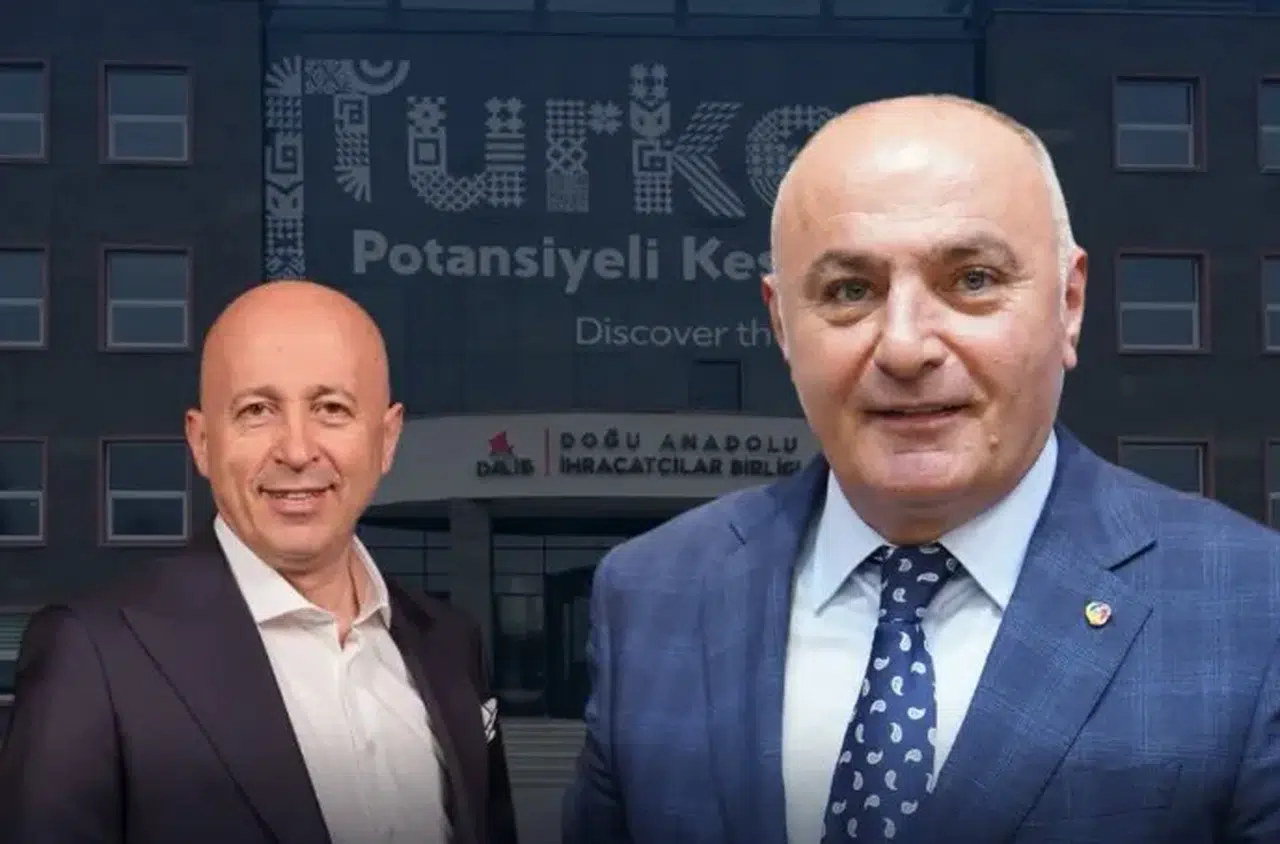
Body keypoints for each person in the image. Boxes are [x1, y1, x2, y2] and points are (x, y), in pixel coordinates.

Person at [562, 95, 1280, 844]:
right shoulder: (652, 594)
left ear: (1069, 303)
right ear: (781, 324)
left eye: (972, 280)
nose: (905, 348)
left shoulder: (1254, 607)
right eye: (850, 291)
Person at [0, 280, 519, 844]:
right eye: (257, 410)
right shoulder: (92, 655)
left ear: (387, 439)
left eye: (331, 408)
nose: (296, 451)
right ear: (202, 441)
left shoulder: (450, 645)